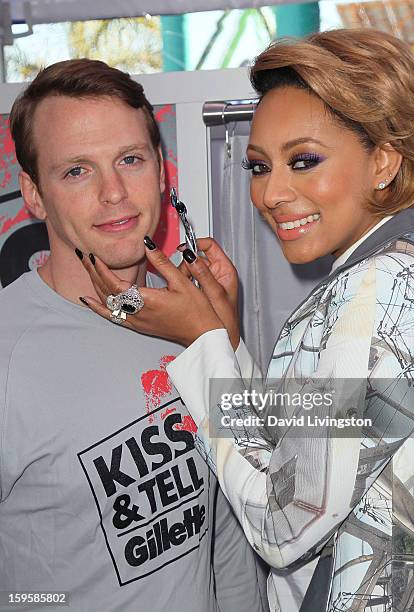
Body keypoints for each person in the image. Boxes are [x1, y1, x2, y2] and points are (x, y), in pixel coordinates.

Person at [78, 30, 414, 612]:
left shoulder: (377, 289)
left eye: (304, 161)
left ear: (383, 160)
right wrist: (227, 339)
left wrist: (201, 344)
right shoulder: (412, 260)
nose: (272, 193)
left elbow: (284, 525)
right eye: (260, 166)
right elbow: (311, 453)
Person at [0, 59, 268, 612]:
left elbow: (233, 534)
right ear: (34, 193)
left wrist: (226, 341)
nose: (114, 192)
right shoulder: (9, 350)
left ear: (162, 172)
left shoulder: (195, 318)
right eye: (76, 170)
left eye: (129, 159)